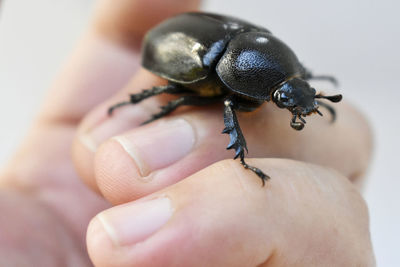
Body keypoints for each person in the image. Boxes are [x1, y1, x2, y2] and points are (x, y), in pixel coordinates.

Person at [0, 0, 375, 266]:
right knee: (180, 100)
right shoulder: (231, 79)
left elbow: (280, 71)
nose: (292, 105)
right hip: (184, 50)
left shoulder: (268, 55)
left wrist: (302, 88)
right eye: (284, 96)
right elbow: (223, 99)